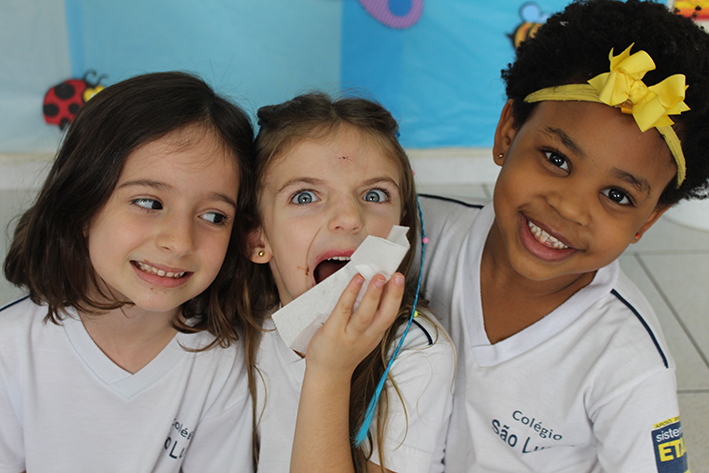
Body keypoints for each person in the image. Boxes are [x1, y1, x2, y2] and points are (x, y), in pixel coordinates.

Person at [417, 0, 709, 471]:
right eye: (557, 159)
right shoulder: (418, 235)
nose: (570, 208)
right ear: (508, 132)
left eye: (617, 195)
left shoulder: (629, 364)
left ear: (648, 220)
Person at [0, 71, 257, 472]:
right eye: (149, 203)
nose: (180, 241)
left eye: (213, 216)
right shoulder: (11, 349)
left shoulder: (223, 361)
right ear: (82, 206)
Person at [247, 92, 455, 473]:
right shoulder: (241, 330)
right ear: (257, 237)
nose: (349, 217)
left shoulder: (417, 353)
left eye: (374, 195)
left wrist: (330, 370)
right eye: (305, 196)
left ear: (402, 228)